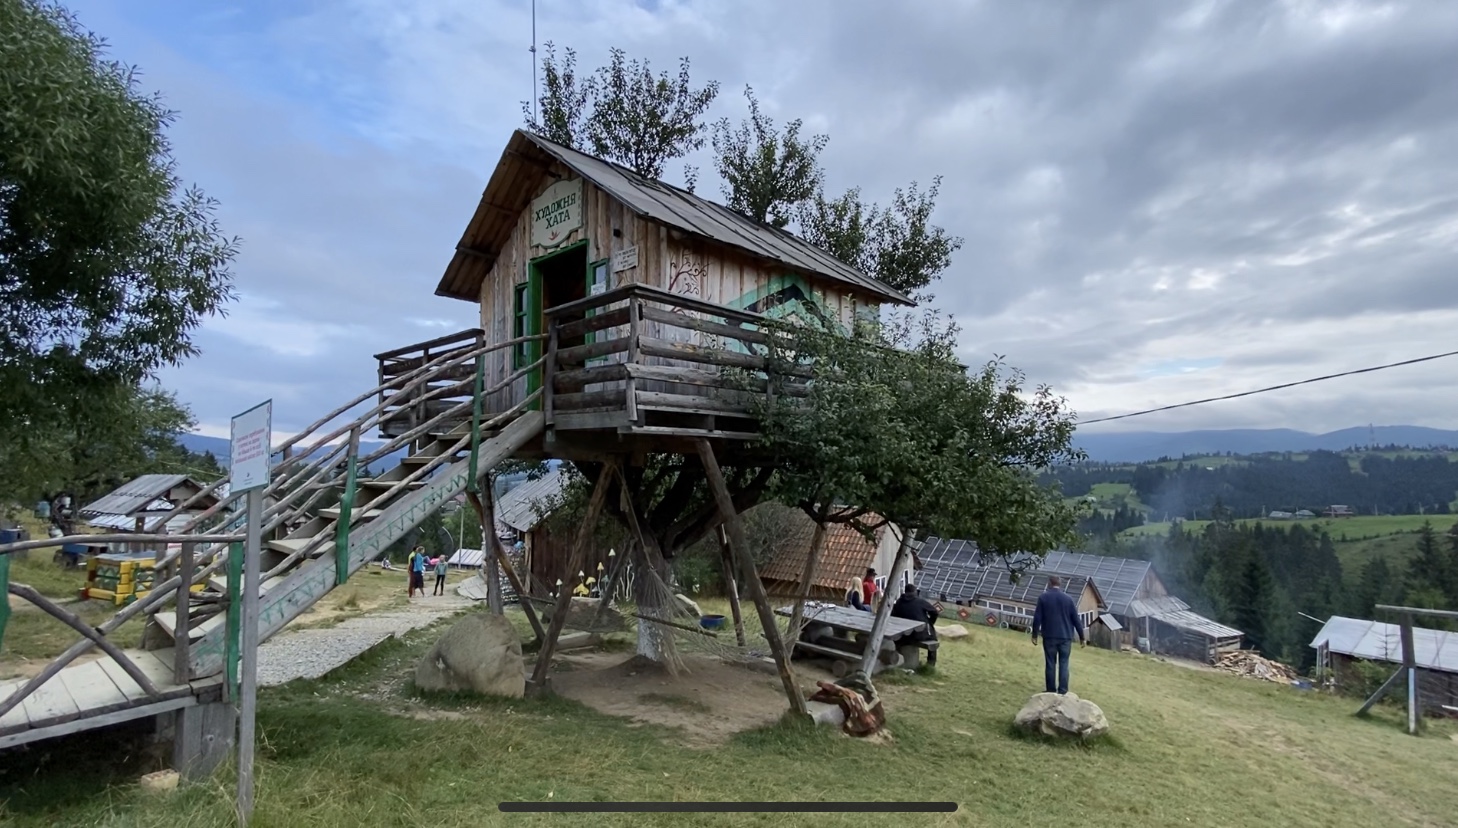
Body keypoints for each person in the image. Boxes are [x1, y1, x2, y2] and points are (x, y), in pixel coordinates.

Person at [1030, 575, 1087, 695]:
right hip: (1065, 636)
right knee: (1064, 663)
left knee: (1050, 662)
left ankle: (1050, 690)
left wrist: (1034, 634)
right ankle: (1063, 690)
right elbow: (1076, 619)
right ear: (1059, 584)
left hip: (1049, 635)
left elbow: (1037, 618)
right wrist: (1082, 637)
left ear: (1049, 583)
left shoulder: (1043, 598)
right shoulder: (1068, 599)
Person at [890, 584, 939, 667]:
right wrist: (930, 622)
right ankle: (931, 664)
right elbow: (935, 612)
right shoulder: (920, 601)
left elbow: (893, 616)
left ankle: (897, 660)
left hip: (902, 635)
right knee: (933, 638)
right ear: (915, 592)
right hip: (918, 634)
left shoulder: (899, 602)